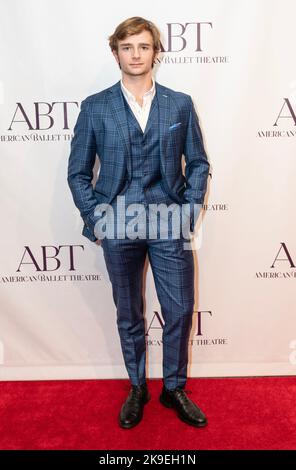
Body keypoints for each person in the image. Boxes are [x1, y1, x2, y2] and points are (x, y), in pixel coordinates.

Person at [67, 16, 210, 429]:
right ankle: (137, 386)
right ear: (116, 53)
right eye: (127, 47)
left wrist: (189, 210)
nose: (136, 55)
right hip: (118, 221)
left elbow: (198, 163)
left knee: (180, 308)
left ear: (155, 53)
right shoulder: (95, 106)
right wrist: (97, 218)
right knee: (128, 310)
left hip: (169, 219)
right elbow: (78, 172)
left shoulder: (179, 103)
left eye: (143, 47)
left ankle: (173, 387)